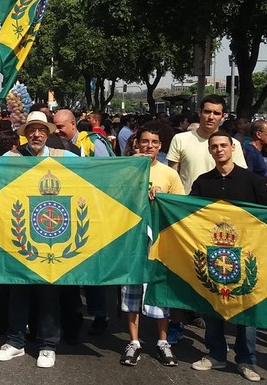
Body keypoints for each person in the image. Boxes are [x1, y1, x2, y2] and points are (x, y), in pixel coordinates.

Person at [189, 131, 267, 382]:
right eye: (214, 146)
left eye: (223, 145)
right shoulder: (202, 181)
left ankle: (246, 360)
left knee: (246, 309)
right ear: (209, 151)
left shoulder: (252, 180)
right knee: (212, 304)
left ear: (232, 148)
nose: (219, 149)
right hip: (212, 256)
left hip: (246, 255)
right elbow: (187, 212)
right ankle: (216, 354)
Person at [0, 111, 73, 369]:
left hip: (52, 235)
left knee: (49, 293)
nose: (36, 134)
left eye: (41, 130)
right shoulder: (11, 158)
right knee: (19, 290)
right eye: (31, 130)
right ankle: (15, 342)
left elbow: (98, 173)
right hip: (19, 236)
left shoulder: (65, 158)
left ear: (47, 133)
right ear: (25, 133)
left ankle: (48, 345)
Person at [119, 123, 182, 368]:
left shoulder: (169, 174)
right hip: (132, 239)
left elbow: (179, 206)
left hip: (158, 239)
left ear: (160, 146)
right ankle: (133, 341)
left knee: (158, 289)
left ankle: (162, 341)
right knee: (131, 289)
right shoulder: (125, 170)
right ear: (137, 143)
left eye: (154, 143)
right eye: (145, 141)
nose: (149, 146)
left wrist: (163, 199)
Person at [168, 94, 247, 192]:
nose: (211, 117)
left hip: (221, 204)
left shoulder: (233, 144)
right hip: (188, 204)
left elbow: (241, 178)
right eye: (207, 112)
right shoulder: (180, 139)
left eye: (216, 113)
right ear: (200, 113)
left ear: (223, 116)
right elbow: (171, 177)